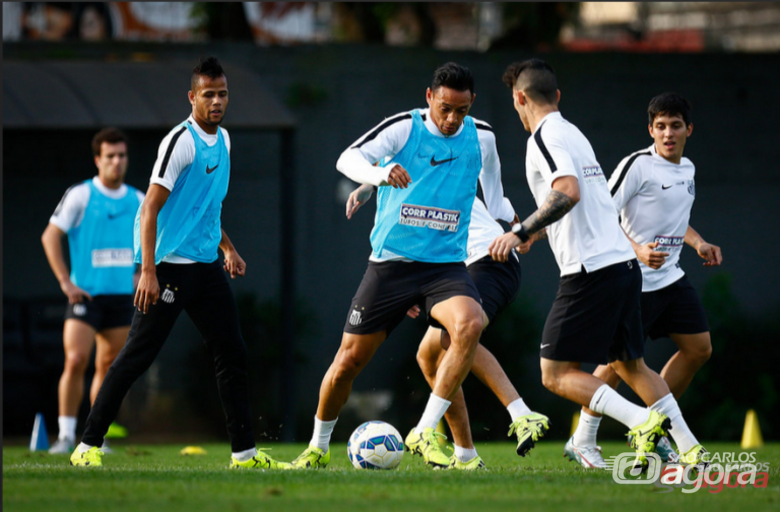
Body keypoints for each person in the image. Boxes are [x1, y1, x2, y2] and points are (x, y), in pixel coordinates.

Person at [288, 62, 514, 470]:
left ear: (472, 105)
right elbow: (347, 158)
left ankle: (429, 429)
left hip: (445, 266)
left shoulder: (482, 137)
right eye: (444, 108)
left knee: (469, 324)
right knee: (347, 364)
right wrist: (377, 174)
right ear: (429, 98)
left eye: (460, 111)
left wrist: (519, 227)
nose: (451, 119)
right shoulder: (403, 128)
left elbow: (495, 200)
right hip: (391, 266)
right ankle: (317, 449)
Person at [489, 59, 708, 471]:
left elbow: (567, 192)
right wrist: (538, 231)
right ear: (557, 95)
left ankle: (642, 422)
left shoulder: (542, 136)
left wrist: (520, 232)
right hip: (625, 265)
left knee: (553, 373)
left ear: (520, 98)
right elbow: (587, 200)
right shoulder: (573, 132)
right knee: (631, 365)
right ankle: (691, 448)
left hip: (590, 270)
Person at [69, 56, 287, 470]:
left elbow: (206, 206)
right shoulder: (180, 141)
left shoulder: (224, 140)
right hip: (167, 268)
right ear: (192, 97)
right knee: (136, 356)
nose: (217, 101)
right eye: (209, 94)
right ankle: (87, 446)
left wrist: (227, 247)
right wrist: (148, 270)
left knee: (232, 353)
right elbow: (151, 208)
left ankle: (244, 455)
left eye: (223, 94)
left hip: (205, 269)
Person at [346, 185, 549, 470]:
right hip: (465, 267)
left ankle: (520, 414)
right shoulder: (414, 178)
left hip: (488, 259)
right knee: (428, 356)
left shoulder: (428, 170)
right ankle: (465, 455)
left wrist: (517, 227)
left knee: (453, 336)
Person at [570, 92, 722, 467]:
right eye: (660, 127)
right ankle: (602, 435)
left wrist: (698, 242)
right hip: (632, 280)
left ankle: (645, 429)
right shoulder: (637, 165)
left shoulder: (687, 169)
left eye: (675, 126)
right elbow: (601, 213)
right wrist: (637, 250)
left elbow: (675, 219)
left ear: (689, 129)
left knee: (699, 349)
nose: (667, 133)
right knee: (621, 363)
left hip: (670, 278)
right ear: (650, 130)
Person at [42, 128, 142, 454]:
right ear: (98, 159)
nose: (117, 162)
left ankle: (94, 438)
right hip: (85, 296)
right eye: (110, 156)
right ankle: (66, 435)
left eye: (122, 156)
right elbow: (50, 236)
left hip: (121, 299)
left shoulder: (139, 200)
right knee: (75, 359)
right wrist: (64, 282)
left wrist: (142, 272)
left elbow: (151, 243)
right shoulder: (81, 195)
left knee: (109, 368)